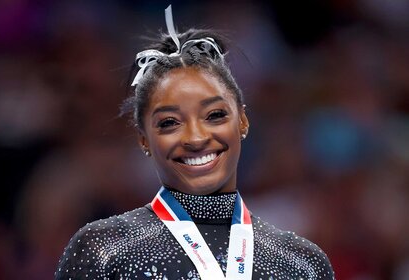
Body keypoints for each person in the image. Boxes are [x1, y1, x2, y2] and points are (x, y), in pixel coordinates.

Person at [55, 5, 335, 280]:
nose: (196, 138)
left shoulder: (301, 263)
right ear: (144, 139)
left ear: (242, 122)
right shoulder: (103, 251)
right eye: (169, 122)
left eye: (214, 115)